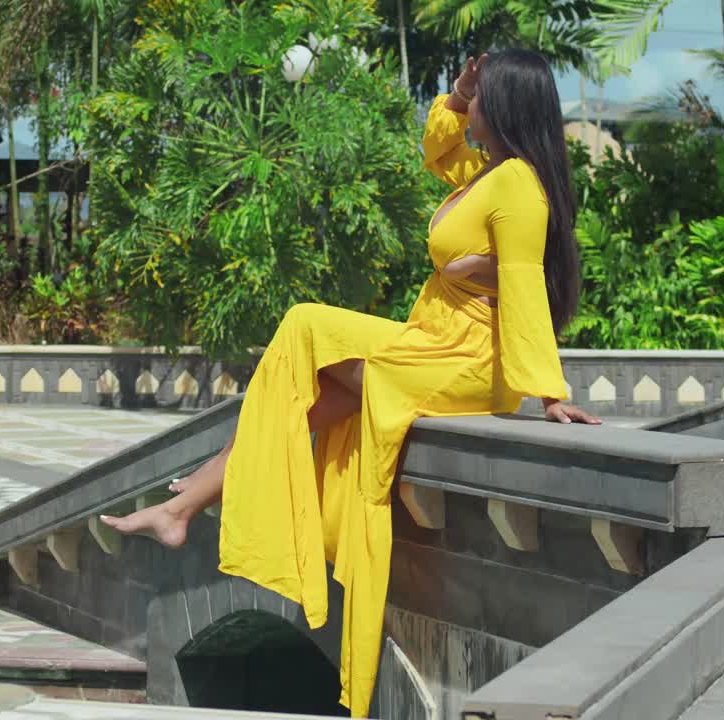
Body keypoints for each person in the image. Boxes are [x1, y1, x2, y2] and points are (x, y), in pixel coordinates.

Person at [100, 48, 601, 717]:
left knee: (306, 328)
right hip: (430, 339)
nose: (470, 103)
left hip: (465, 362)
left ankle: (197, 492)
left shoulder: (518, 188)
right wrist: (453, 98)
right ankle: (183, 508)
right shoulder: (491, 174)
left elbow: (523, 285)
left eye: (480, 96)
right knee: (319, 393)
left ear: (507, 104)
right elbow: (438, 153)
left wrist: (550, 392)